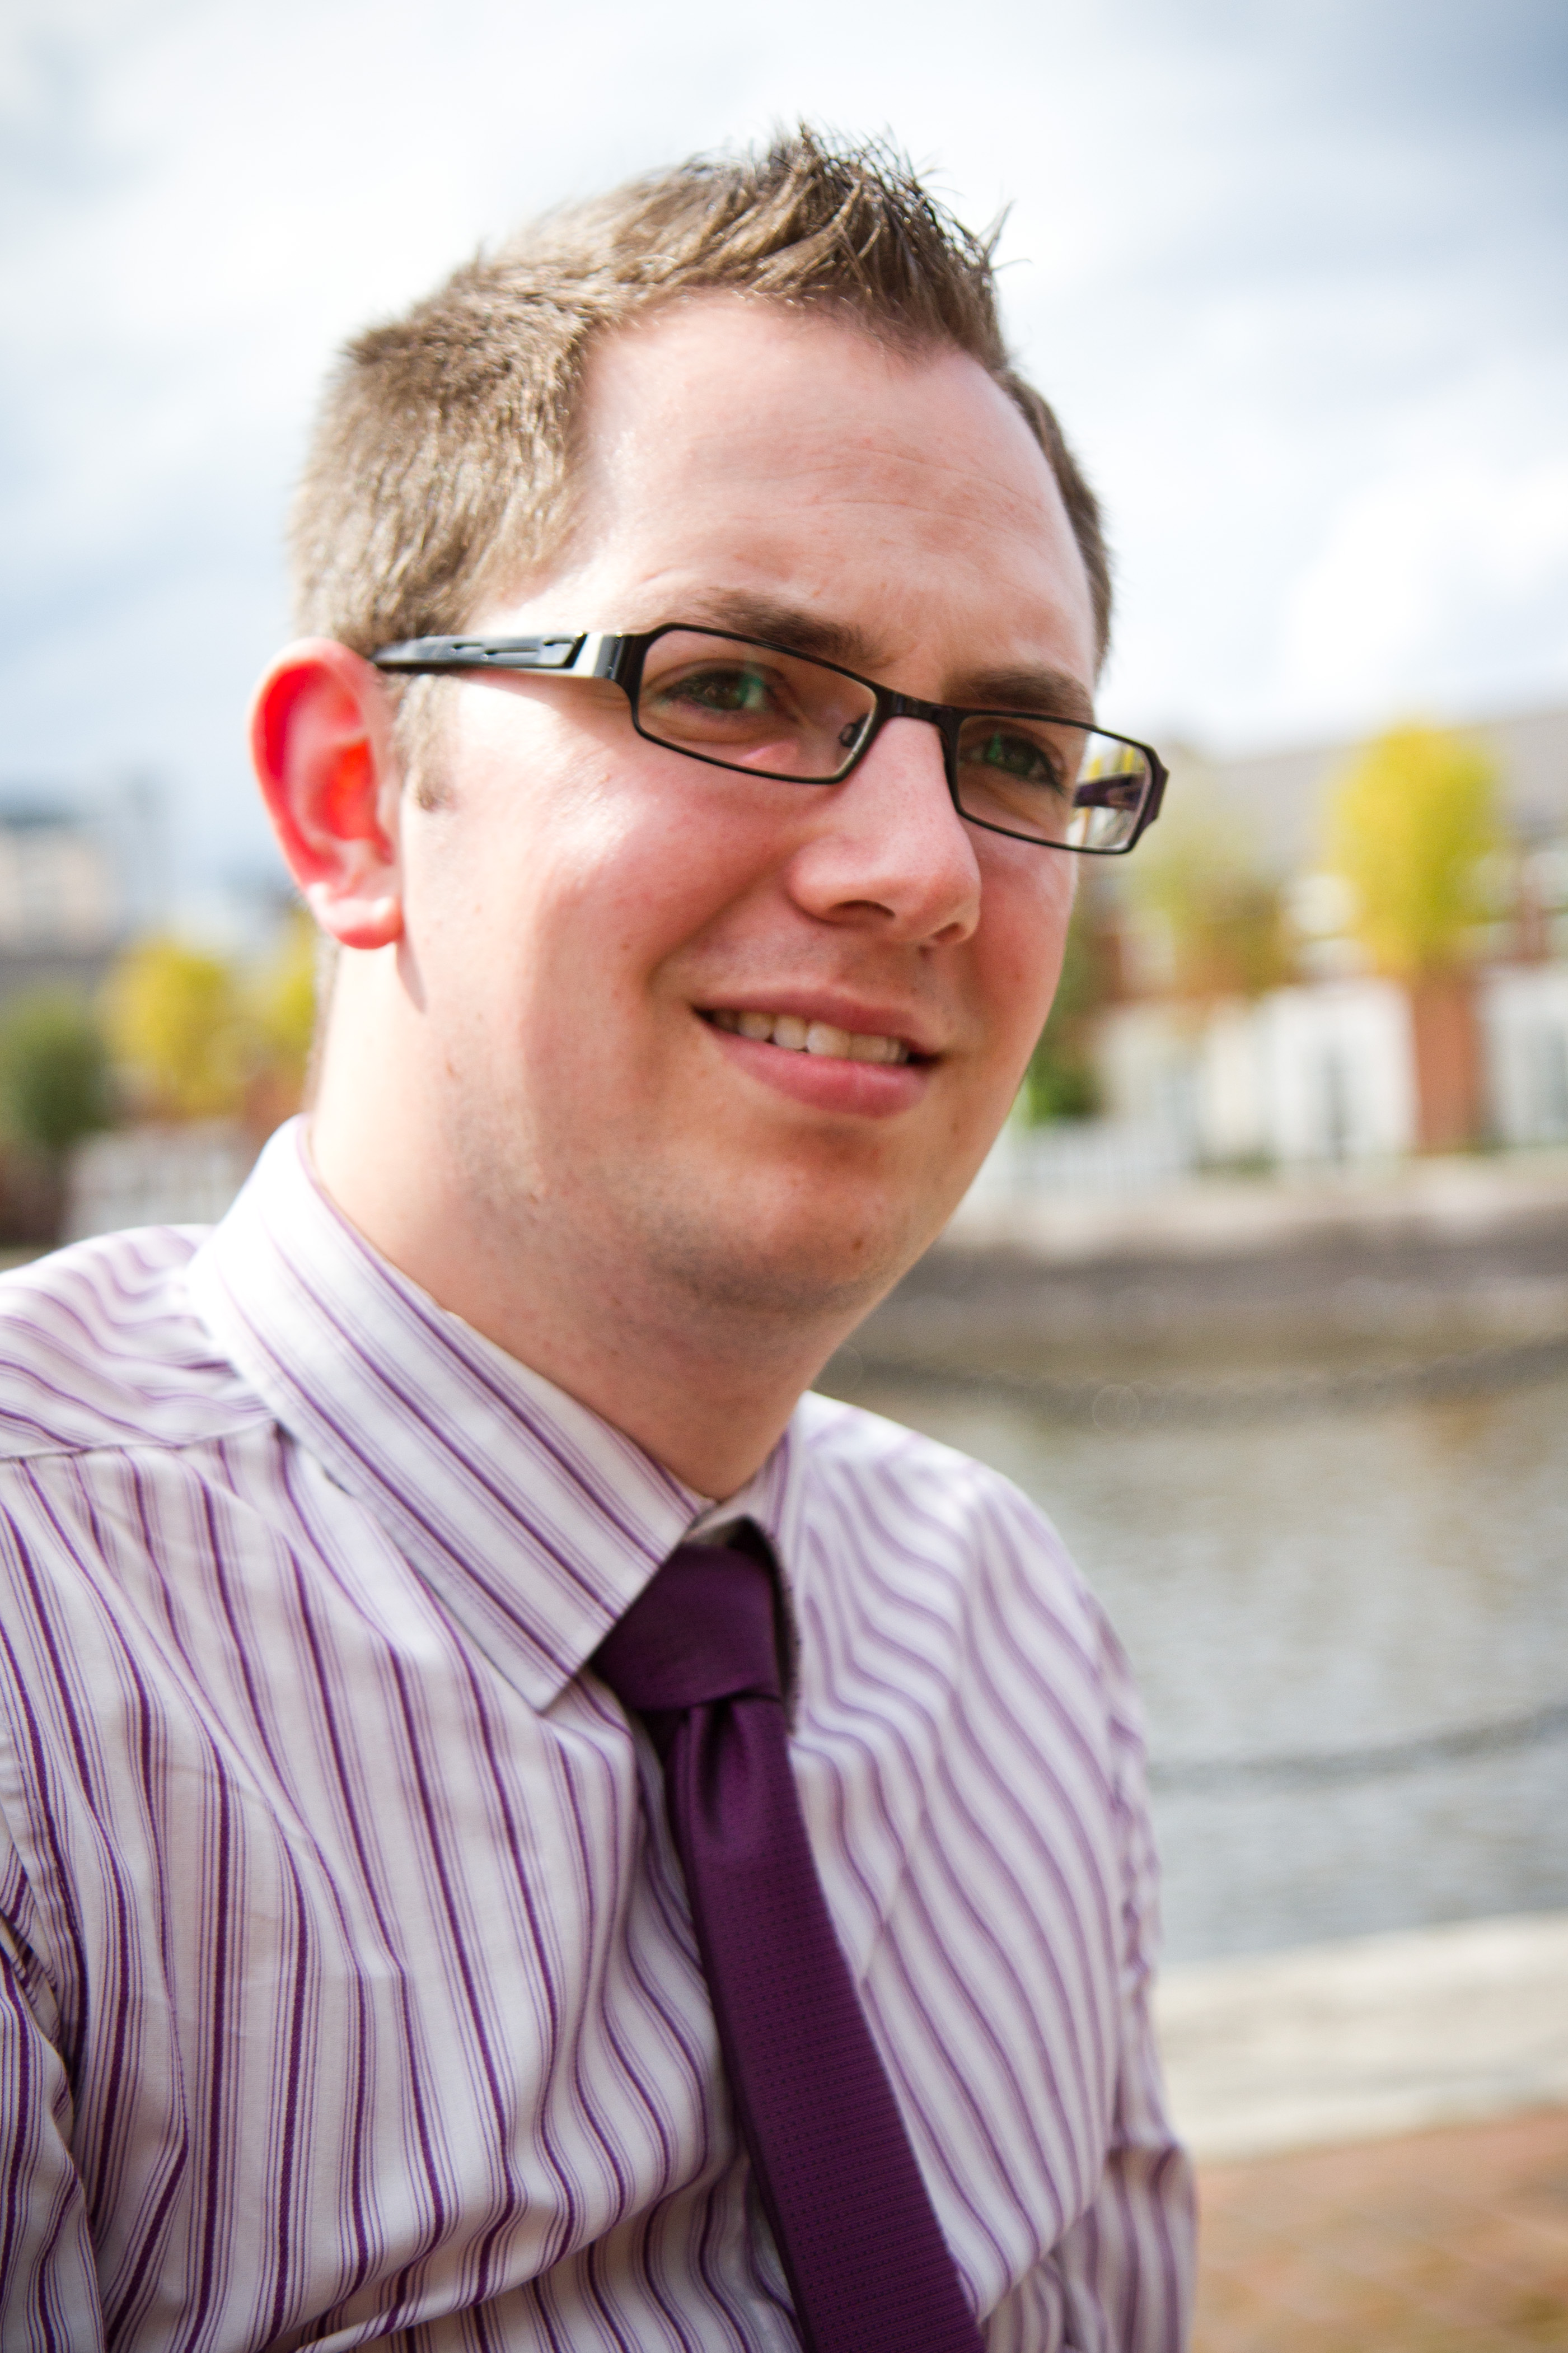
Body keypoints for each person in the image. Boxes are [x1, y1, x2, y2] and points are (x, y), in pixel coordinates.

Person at [0, 130, 1192, 2350]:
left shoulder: (1009, 1626)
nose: (922, 867)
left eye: (1017, 749)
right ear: (352, 799)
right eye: (730, 684)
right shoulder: (39, 1680)